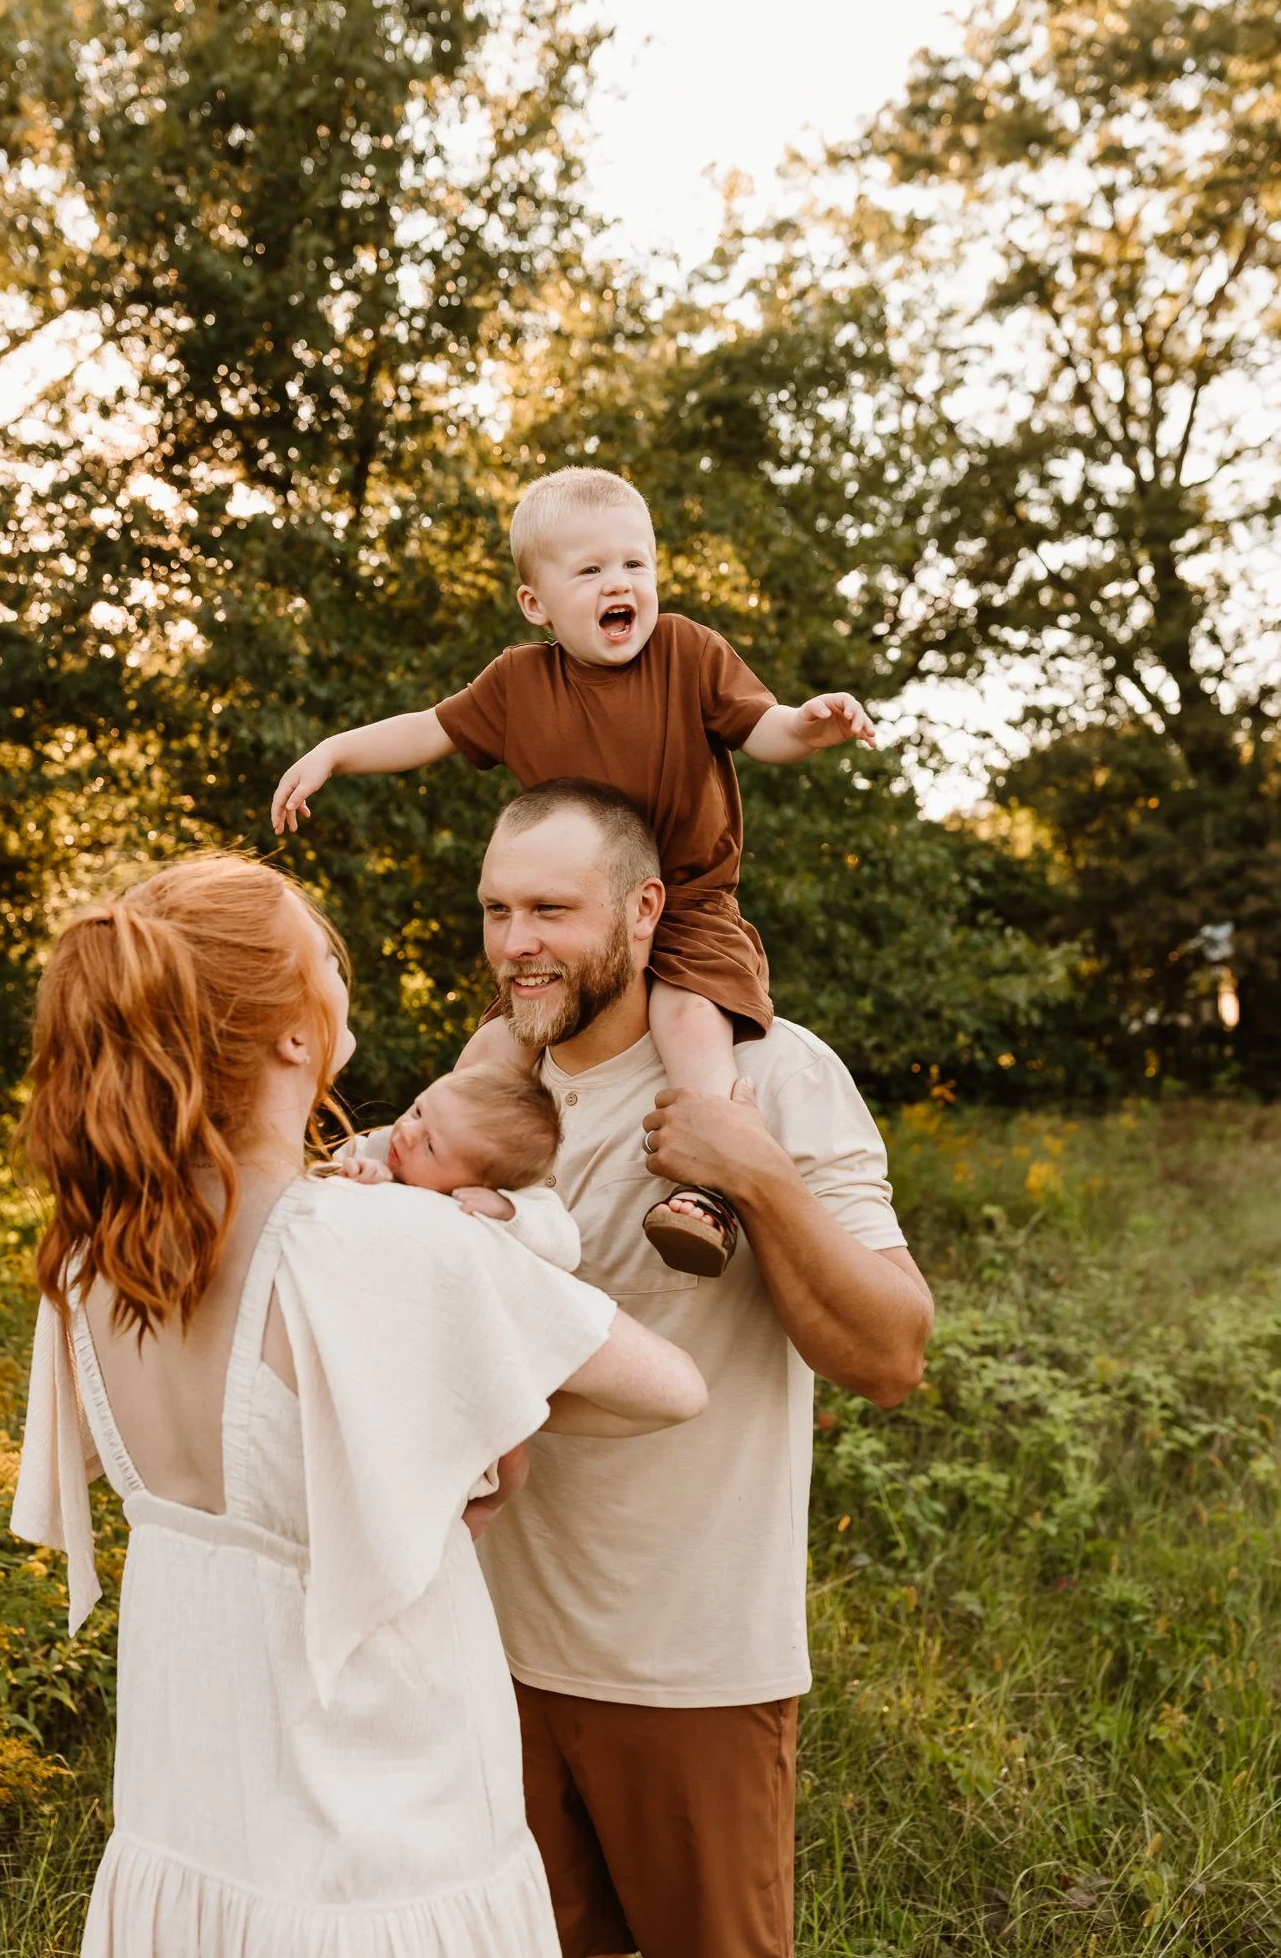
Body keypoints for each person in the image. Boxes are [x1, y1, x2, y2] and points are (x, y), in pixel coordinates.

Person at [9, 852, 707, 1958]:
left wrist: (439, 1397)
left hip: (192, 1827)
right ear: (295, 1030)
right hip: (385, 1849)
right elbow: (672, 1387)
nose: (342, 968)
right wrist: (470, 1401)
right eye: (324, 951)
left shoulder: (99, 1259)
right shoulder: (384, 1247)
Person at [467, 780, 934, 1958]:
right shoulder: (487, 1094)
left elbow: (891, 1355)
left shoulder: (770, 1073)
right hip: (487, 1659)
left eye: (551, 910)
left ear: (642, 910)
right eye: (497, 909)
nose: (518, 944)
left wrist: (756, 1172)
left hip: (693, 1671)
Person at [269, 464, 876, 1279]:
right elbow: (427, 730)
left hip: (687, 896)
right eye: (589, 571)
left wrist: (808, 725)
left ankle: (707, 1193)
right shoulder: (518, 683)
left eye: (635, 565)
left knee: (690, 1024)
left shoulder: (688, 653)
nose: (618, 584)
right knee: (493, 1053)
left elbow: (759, 727)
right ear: (536, 605)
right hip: (566, 915)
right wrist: (334, 752)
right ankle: (405, 1169)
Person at [337, 1064, 578, 1269]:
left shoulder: (517, 1200)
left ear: (482, 1184)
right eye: (418, 1111)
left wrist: (507, 1210)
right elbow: (332, 1170)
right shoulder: (384, 1146)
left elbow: (568, 1249)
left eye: (430, 1145)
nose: (407, 1131)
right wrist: (355, 1173)